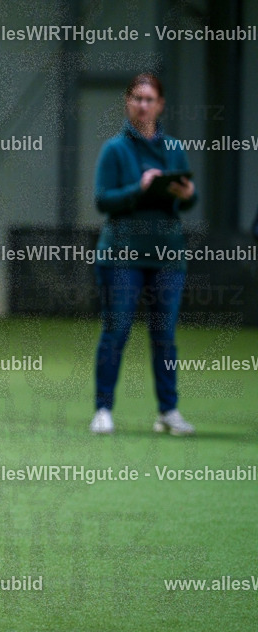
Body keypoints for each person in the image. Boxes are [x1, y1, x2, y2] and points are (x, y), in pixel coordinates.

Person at [90, 73, 197, 436]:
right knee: (116, 331)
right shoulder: (114, 150)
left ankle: (168, 412)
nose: (143, 104)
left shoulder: (174, 148)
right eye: (136, 98)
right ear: (127, 102)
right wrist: (141, 186)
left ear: (160, 104)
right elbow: (104, 199)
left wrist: (185, 193)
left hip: (167, 256)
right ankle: (103, 409)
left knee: (164, 335)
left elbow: (189, 198)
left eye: (150, 99)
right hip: (121, 256)